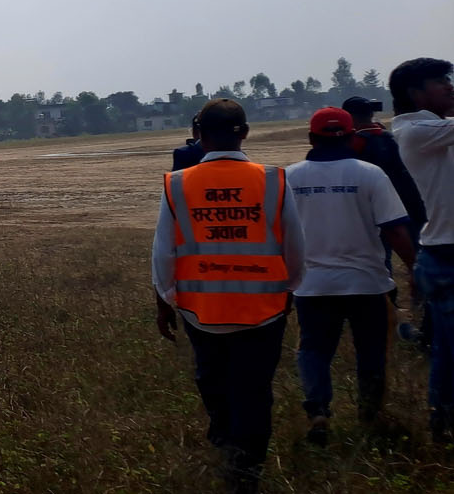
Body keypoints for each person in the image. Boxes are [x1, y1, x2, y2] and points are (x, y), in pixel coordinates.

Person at [153, 99, 304, 493]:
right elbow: (295, 246)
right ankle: (247, 469)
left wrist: (166, 299)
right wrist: (291, 289)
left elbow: (162, 252)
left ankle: (224, 438)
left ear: (199, 135)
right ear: (246, 133)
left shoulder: (178, 183)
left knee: (211, 377)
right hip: (264, 308)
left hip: (201, 310)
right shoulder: (274, 180)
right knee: (254, 389)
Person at [285, 107, 418, 444]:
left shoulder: (289, 178)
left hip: (312, 285)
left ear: (311, 138)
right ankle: (370, 414)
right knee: (371, 351)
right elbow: (396, 232)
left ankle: (318, 411)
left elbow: (276, 234)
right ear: (353, 137)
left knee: (314, 350)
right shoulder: (370, 174)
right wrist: (415, 269)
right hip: (367, 283)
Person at [389, 56, 454, 443]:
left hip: (441, 250)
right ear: (415, 94)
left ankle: (441, 423)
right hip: (447, 255)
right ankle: (441, 422)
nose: (448, 86)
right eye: (438, 82)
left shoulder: (439, 128)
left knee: (446, 352)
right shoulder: (414, 131)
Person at [343, 95, 431, 348]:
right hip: (410, 209)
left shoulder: (355, 143)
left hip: (374, 214)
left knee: (381, 266)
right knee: (417, 261)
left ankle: (387, 311)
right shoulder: (389, 137)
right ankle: (423, 308)